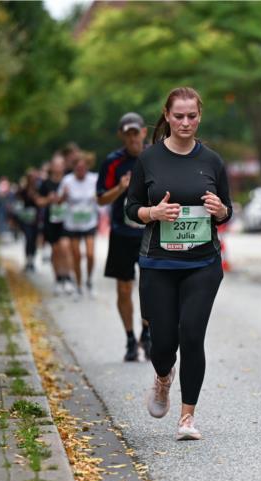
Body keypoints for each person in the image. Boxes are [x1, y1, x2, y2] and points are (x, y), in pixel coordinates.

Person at [126, 87, 232, 441]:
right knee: (162, 345)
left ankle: (187, 418)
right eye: (179, 116)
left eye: (192, 116)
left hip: (202, 263)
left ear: (200, 115)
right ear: (167, 117)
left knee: (192, 335)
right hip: (159, 263)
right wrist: (152, 213)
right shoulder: (149, 159)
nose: (185, 122)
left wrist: (221, 211)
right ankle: (162, 376)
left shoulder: (213, 161)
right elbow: (130, 208)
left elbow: (226, 211)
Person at [98, 112, 153, 362]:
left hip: (150, 232)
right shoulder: (113, 162)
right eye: (128, 133)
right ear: (122, 135)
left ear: (143, 132)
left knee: (150, 286)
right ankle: (130, 338)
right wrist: (120, 188)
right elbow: (100, 199)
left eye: (136, 132)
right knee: (123, 288)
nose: (133, 138)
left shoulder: (156, 156)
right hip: (122, 233)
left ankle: (148, 333)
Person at [57, 151, 99, 297]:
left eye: (83, 168)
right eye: (78, 168)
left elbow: (101, 198)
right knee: (76, 256)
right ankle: (79, 285)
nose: (81, 171)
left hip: (89, 222)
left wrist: (98, 198)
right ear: (74, 168)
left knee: (90, 254)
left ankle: (89, 280)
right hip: (73, 224)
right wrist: (64, 195)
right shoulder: (67, 181)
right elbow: (59, 202)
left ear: (87, 167)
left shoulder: (94, 179)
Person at [38, 155, 73, 294]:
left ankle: (68, 278)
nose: (58, 168)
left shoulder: (68, 181)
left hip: (66, 220)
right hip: (51, 220)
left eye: (60, 165)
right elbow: (39, 201)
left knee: (65, 248)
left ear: (64, 166)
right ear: (51, 167)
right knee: (56, 250)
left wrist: (66, 197)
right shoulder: (46, 183)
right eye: (55, 165)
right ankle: (58, 279)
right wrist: (48, 199)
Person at [18, 169, 43, 272]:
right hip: (26, 218)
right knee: (28, 238)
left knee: (34, 240)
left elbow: (40, 202)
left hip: (35, 219)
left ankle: (32, 260)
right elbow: (18, 200)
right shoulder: (23, 190)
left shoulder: (38, 189)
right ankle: (27, 259)